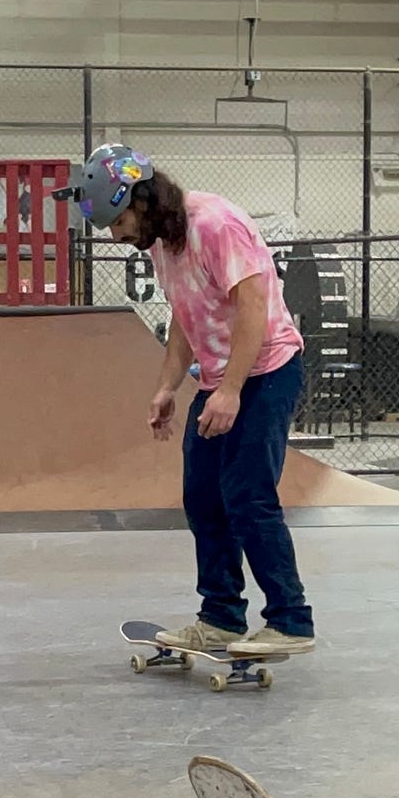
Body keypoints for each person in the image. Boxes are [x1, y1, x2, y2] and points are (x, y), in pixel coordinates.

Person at [54, 145, 314, 657]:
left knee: (247, 494)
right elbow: (185, 314)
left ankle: (290, 618)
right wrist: (168, 386)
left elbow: (252, 308)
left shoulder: (215, 224)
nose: (117, 235)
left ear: (145, 200)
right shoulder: (161, 240)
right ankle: (220, 616)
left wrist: (232, 389)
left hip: (267, 370)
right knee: (202, 495)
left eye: (120, 221)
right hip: (219, 377)